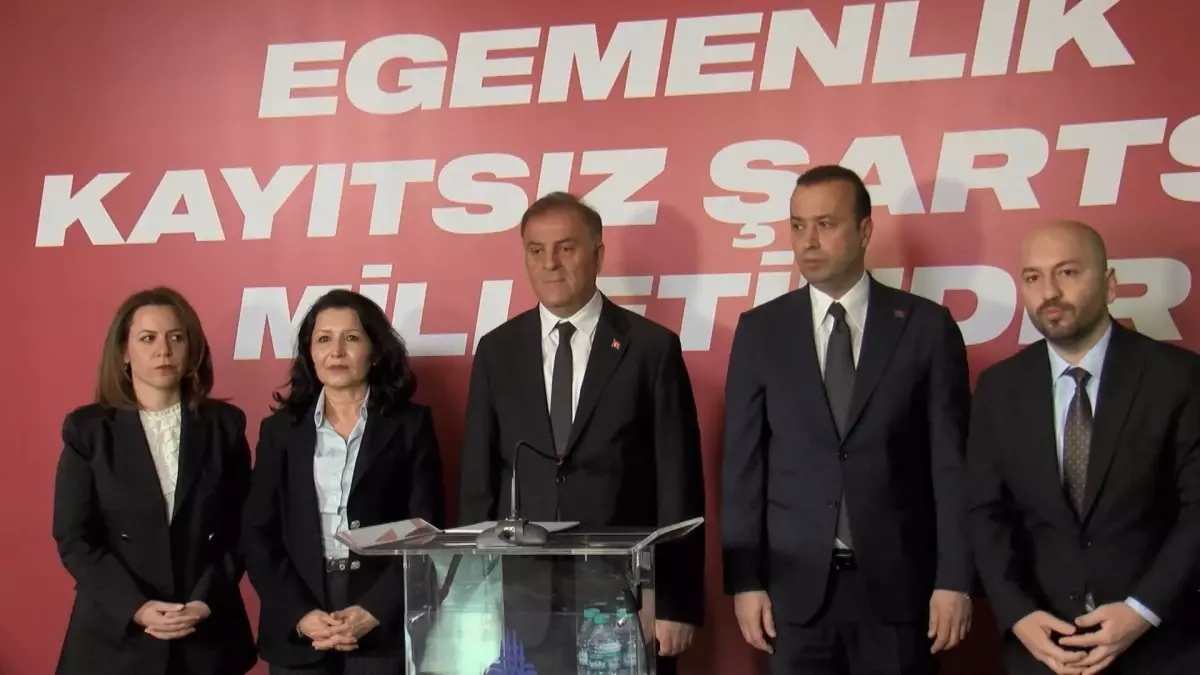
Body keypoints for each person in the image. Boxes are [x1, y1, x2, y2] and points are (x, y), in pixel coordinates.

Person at [721, 165, 974, 675]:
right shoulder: (760, 331)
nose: (808, 241)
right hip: (794, 598)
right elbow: (743, 469)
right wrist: (745, 581)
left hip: (902, 594)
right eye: (797, 225)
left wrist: (955, 579)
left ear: (864, 230)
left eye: (825, 224)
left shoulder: (926, 328)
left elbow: (952, 467)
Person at [458, 191, 706, 674]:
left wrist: (675, 601)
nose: (550, 263)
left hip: (623, 600)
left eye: (566, 248)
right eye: (536, 250)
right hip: (523, 606)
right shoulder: (497, 350)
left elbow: (678, 483)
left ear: (598, 254)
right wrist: (476, 595)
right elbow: (478, 483)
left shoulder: (651, 348)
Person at [966, 219, 1200, 675]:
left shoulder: (1179, 378)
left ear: (1110, 284)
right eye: (1033, 277)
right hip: (1044, 649)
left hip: (1161, 646)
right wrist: (1017, 614)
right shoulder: (998, 389)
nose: (1049, 292)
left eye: (1068, 272)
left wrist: (1142, 611)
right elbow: (984, 512)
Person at [51, 287, 257, 675]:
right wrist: (137, 607)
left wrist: (205, 601)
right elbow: (74, 538)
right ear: (124, 352)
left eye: (175, 337)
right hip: (115, 639)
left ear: (191, 349)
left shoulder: (224, 426)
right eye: (148, 339)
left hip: (205, 634)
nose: (163, 350)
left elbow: (243, 530)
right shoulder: (88, 430)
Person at [242, 289, 446, 675]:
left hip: (382, 625)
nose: (336, 351)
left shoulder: (410, 425)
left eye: (351, 338)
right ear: (309, 352)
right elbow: (257, 534)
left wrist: (375, 610)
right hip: (300, 621)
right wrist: (300, 614)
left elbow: (425, 529)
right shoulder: (280, 431)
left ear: (375, 350)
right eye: (324, 339)